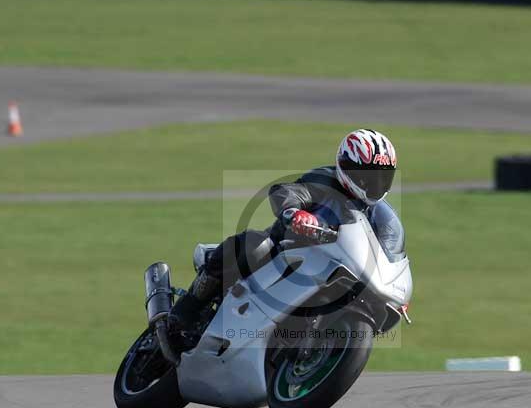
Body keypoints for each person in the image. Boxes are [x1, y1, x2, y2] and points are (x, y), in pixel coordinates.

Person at [168, 128, 398, 344]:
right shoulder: (324, 181)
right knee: (253, 245)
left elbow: (389, 250)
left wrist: (393, 283)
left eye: (382, 177)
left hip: (332, 271)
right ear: (347, 168)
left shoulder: (379, 214)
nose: (375, 184)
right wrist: (295, 212)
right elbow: (289, 192)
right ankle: (186, 309)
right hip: (285, 255)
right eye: (368, 176)